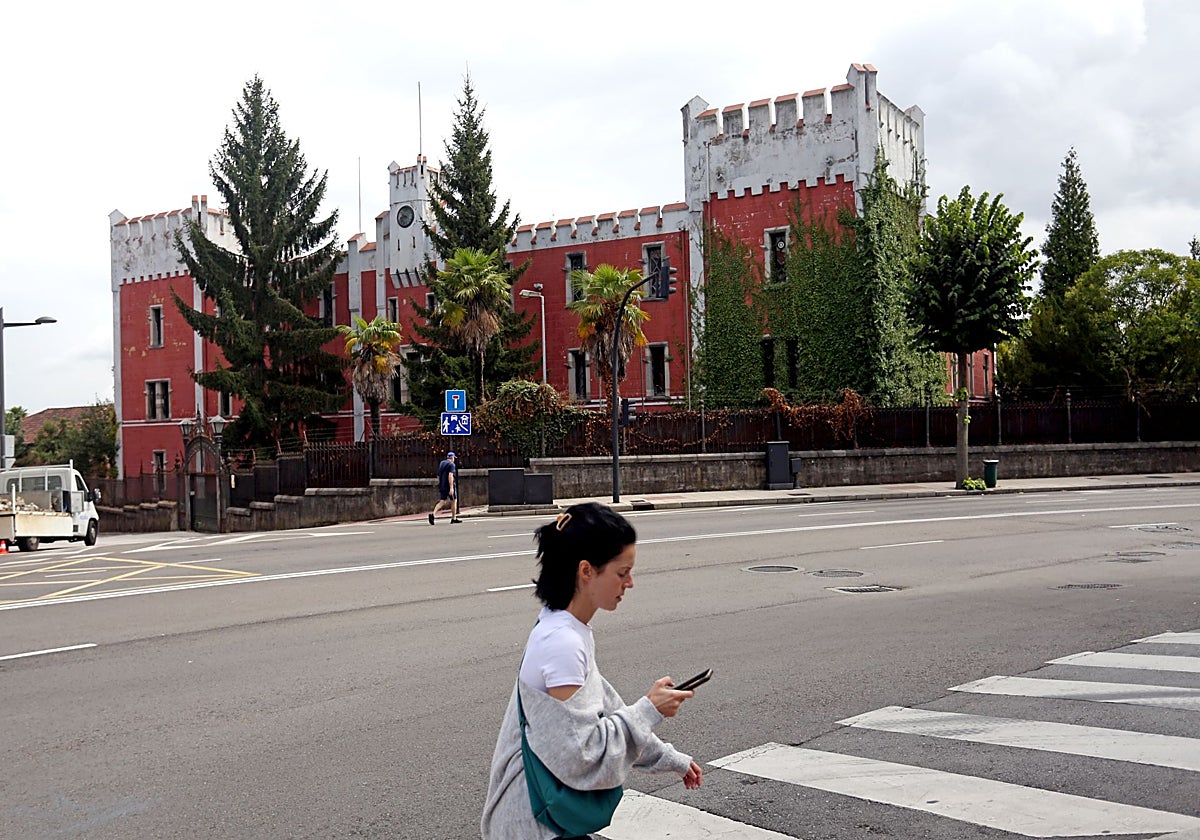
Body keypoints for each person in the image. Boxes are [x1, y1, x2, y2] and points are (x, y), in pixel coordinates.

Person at [481, 502, 702, 839]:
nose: (630, 583)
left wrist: (670, 758)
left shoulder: (567, 628)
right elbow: (580, 755)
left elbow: (607, 711)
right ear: (586, 571)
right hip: (534, 823)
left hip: (543, 816)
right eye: (622, 572)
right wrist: (650, 710)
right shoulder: (562, 644)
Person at [429, 451, 461, 524]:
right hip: (449, 485)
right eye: (454, 458)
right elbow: (450, 475)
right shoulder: (452, 465)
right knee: (454, 500)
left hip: (442, 485)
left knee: (442, 501)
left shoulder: (442, 463)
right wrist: (451, 487)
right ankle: (453, 518)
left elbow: (438, 475)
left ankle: (433, 514)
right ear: (452, 458)